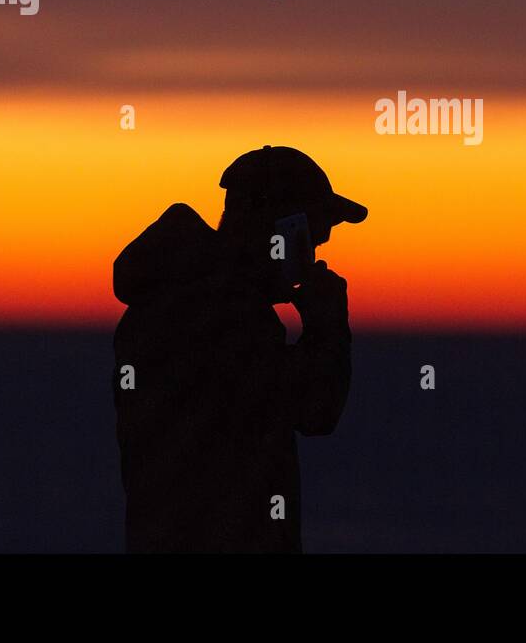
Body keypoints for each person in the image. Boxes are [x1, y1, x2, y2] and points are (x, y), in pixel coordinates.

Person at [111, 145, 366, 552]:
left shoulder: (190, 296)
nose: (312, 259)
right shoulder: (216, 312)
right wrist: (327, 324)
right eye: (309, 240)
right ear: (278, 232)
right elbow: (315, 409)